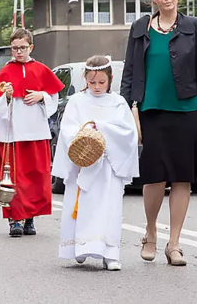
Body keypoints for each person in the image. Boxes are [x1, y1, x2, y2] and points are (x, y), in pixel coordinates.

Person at [121, 0, 197, 267]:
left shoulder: (192, 27)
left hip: (186, 111)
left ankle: (174, 243)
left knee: (182, 177)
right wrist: (127, 110)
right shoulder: (140, 29)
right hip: (151, 111)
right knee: (153, 177)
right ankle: (150, 232)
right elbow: (129, 72)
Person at [52, 56, 139, 271]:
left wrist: (100, 127)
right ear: (85, 79)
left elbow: (128, 132)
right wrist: (85, 136)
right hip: (84, 163)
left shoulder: (118, 102)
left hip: (109, 165)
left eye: (102, 82)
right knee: (82, 207)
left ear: (110, 79)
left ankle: (110, 252)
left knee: (108, 208)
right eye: (92, 82)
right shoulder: (77, 101)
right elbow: (68, 129)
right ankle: (80, 247)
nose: (97, 87)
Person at [0, 28, 64, 237]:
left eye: (22, 48)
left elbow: (53, 101)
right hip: (10, 136)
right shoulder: (5, 72)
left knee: (34, 178)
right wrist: (7, 97)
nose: (18, 52)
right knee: (13, 178)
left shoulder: (41, 70)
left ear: (30, 47)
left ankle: (30, 218)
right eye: (14, 48)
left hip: (35, 133)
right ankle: (15, 220)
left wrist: (42, 95)